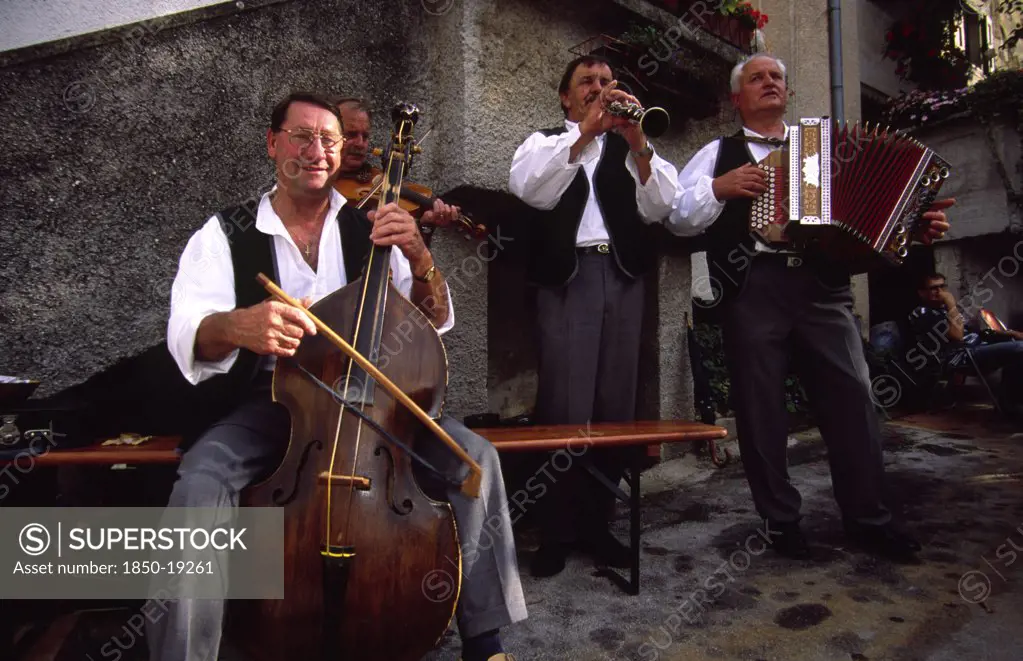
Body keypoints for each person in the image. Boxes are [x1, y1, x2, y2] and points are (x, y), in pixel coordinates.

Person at [145, 91, 524, 661]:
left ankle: (485, 639)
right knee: (201, 481)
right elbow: (189, 330)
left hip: (378, 403)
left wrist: (421, 261)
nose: (315, 150)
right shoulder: (226, 232)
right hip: (277, 401)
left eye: (328, 140)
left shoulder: (368, 226)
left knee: (477, 460)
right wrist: (238, 325)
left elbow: (431, 322)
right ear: (274, 144)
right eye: (301, 136)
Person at [666, 53, 954, 562]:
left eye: (777, 76)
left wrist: (915, 229)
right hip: (754, 284)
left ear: (787, 92)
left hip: (824, 287)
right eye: (756, 78)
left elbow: (868, 226)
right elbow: (678, 218)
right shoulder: (719, 151)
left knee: (854, 400)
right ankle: (781, 523)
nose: (769, 83)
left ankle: (869, 519)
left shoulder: (818, 149)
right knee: (760, 411)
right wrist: (719, 186)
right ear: (738, 98)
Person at [508, 55, 681, 577]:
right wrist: (585, 131)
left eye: (608, 82)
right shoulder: (544, 142)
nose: (600, 90)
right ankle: (556, 531)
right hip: (569, 281)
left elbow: (662, 207)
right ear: (566, 97)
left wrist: (637, 143)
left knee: (614, 411)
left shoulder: (631, 146)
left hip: (624, 280)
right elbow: (529, 188)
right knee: (565, 408)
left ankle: (598, 524)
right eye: (588, 82)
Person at [333, 96, 462, 231]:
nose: (361, 144)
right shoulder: (317, 184)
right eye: (351, 134)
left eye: (365, 136)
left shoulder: (379, 178)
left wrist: (424, 225)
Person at [908, 272, 1023, 415]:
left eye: (942, 286)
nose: (940, 291)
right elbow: (957, 336)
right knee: (1020, 349)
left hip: (980, 347)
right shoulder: (922, 313)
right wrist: (951, 304)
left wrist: (1011, 333)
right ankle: (1010, 404)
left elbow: (978, 333)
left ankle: (1010, 402)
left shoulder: (946, 311)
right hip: (961, 356)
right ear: (922, 293)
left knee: (1017, 345)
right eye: (933, 288)